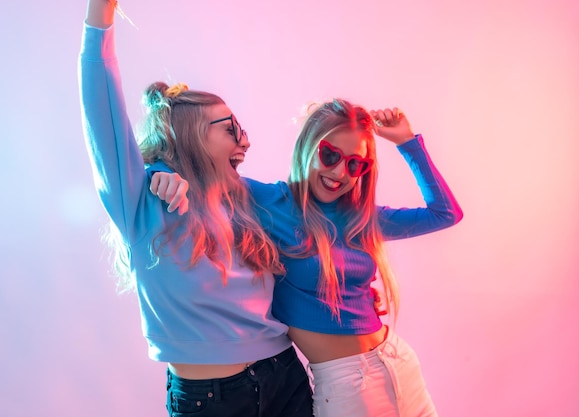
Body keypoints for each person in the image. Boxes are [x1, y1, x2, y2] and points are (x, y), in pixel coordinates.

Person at [152, 98, 463, 417]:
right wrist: (161, 171)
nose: (341, 172)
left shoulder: (361, 217)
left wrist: (407, 142)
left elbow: (446, 213)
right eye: (331, 155)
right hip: (346, 385)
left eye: (356, 164)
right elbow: (198, 172)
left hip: (398, 362)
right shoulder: (269, 202)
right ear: (307, 146)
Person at [78, 0, 314, 416]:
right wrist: (101, 13)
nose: (245, 140)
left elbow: (328, 205)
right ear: (190, 136)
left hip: (285, 375)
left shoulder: (247, 198)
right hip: (211, 399)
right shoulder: (143, 201)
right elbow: (101, 110)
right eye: (231, 129)